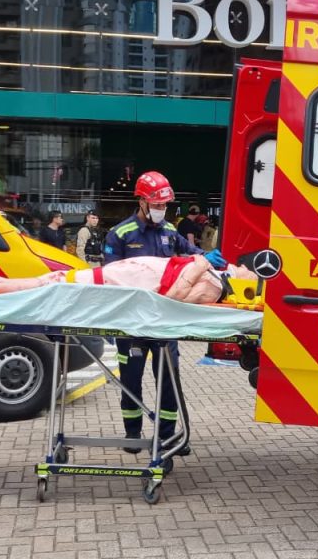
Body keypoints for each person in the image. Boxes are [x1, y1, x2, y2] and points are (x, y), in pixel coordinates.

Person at [104, 171, 226, 454]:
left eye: (164, 206)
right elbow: (110, 279)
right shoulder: (120, 235)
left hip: (164, 323)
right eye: (157, 205)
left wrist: (205, 258)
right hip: (131, 324)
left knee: (169, 382)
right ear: (143, 202)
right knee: (131, 380)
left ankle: (168, 436)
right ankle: (133, 434)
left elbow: (190, 255)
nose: (162, 210)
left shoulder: (171, 233)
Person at [0, 250, 255, 303]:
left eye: (248, 271)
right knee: (57, 279)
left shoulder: (212, 288)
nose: (243, 266)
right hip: (126, 274)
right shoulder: (213, 276)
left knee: (55, 284)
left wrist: (198, 264)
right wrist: (200, 264)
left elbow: (173, 298)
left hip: (122, 282)